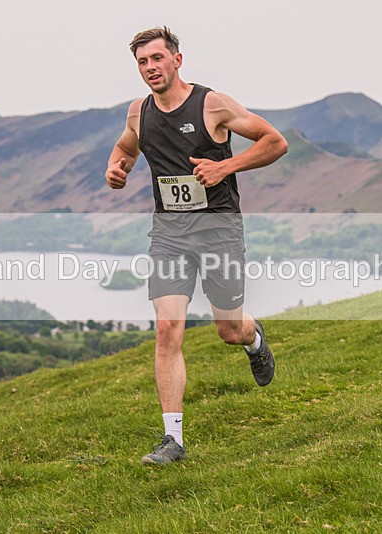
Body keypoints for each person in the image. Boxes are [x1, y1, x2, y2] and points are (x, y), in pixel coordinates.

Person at [105, 26, 288, 465]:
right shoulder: (138, 112)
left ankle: (254, 338)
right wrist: (118, 166)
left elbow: (274, 142)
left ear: (177, 60)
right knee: (168, 329)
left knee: (228, 329)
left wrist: (226, 167)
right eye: (142, 62)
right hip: (169, 235)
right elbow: (126, 147)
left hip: (219, 231)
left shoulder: (212, 105)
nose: (150, 68)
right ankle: (174, 441)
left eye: (157, 58)